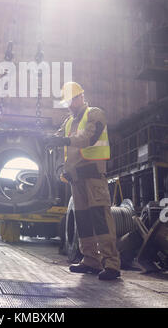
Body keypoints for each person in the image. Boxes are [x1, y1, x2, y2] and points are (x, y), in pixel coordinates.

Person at [45, 82, 121, 281]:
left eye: (71, 100)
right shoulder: (68, 122)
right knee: (83, 220)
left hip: (94, 176)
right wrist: (47, 140)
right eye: (67, 102)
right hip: (76, 178)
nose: (69, 105)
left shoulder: (95, 114)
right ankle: (91, 260)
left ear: (80, 97)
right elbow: (58, 139)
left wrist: (63, 141)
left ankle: (111, 264)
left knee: (100, 219)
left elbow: (88, 138)